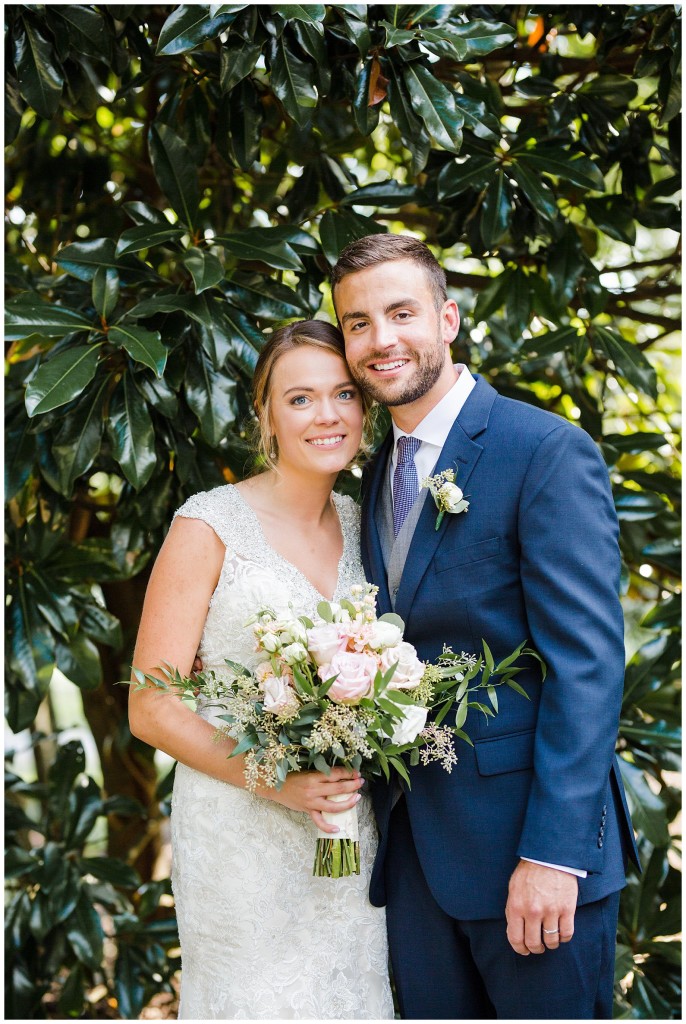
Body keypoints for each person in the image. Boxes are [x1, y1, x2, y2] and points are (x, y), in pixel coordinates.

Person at [330, 234, 640, 1020]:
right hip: (415, 866)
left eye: (401, 313)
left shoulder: (542, 451)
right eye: (358, 323)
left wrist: (553, 855)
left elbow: (589, 667)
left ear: (448, 318)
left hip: (529, 862)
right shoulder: (371, 475)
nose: (381, 339)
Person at [128, 320, 394, 1020]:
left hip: (345, 826)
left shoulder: (370, 522)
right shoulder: (207, 525)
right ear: (266, 416)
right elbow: (151, 707)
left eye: (344, 394)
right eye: (300, 398)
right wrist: (277, 783)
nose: (328, 414)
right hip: (239, 831)